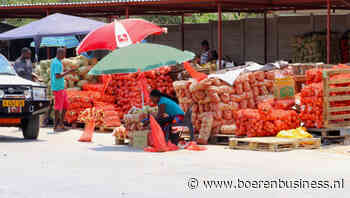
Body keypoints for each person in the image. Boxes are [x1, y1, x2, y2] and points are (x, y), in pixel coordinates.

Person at [50, 48, 76, 132]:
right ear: (59, 53)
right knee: (58, 107)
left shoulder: (58, 62)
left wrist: (65, 72)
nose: (64, 56)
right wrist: (68, 72)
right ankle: (56, 125)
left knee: (65, 106)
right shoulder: (56, 63)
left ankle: (61, 124)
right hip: (57, 88)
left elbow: (59, 74)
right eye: (63, 54)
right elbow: (57, 76)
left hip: (61, 87)